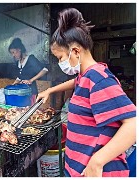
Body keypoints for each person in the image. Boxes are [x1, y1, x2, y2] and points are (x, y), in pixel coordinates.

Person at [36, 8, 136, 177]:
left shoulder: (99, 78)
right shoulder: (85, 76)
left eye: (60, 57)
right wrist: (49, 90)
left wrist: (97, 162)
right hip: (76, 170)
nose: (60, 63)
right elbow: (74, 82)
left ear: (75, 51)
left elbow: (133, 124)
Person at [8, 38, 48, 104]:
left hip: (31, 93)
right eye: (11, 53)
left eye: (13, 52)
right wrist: (12, 86)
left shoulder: (31, 59)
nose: (13, 55)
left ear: (19, 50)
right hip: (21, 93)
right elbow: (19, 77)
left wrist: (31, 80)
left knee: (30, 110)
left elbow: (45, 70)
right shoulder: (18, 63)